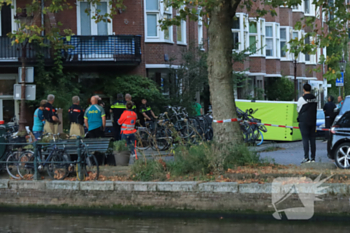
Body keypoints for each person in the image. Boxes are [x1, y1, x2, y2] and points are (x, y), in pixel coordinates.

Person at [297, 83, 317, 163]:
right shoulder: (315, 98)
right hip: (313, 121)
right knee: (312, 139)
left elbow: (298, 109)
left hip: (304, 121)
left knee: (305, 139)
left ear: (304, 89)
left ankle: (306, 158)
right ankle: (313, 158)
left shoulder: (302, 99)